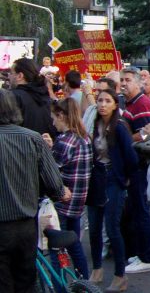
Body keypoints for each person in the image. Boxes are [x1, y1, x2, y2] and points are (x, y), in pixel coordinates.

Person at [0, 89, 69, 293]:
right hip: (25, 226)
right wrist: (61, 192)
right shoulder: (32, 139)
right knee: (26, 281)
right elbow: (55, 185)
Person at [87, 88, 139, 292]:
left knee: (112, 228)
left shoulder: (119, 127)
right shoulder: (95, 124)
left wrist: (123, 178)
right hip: (96, 177)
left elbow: (132, 158)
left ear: (115, 105)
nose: (102, 104)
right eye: (99, 100)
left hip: (112, 179)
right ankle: (97, 270)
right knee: (93, 227)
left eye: (107, 101)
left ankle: (120, 275)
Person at [41, 98, 92, 280]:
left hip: (62, 203)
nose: (53, 122)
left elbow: (49, 171)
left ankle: (59, 285)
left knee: (56, 250)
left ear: (61, 115)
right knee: (75, 245)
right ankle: (84, 282)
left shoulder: (65, 141)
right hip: (78, 203)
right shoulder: (84, 138)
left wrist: (46, 150)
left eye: (54, 117)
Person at [119, 68, 150, 274]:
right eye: (121, 80)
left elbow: (147, 136)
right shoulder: (132, 103)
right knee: (136, 210)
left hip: (140, 167)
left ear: (138, 83)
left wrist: (124, 140)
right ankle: (141, 252)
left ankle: (147, 256)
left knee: (142, 210)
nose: (123, 84)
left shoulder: (142, 104)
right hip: (133, 166)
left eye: (127, 80)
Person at [9, 58, 57, 137]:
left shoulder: (12, 96)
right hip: (43, 146)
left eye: (11, 73)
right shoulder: (45, 96)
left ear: (20, 76)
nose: (9, 76)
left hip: (20, 146)